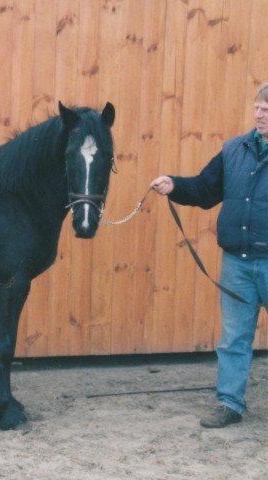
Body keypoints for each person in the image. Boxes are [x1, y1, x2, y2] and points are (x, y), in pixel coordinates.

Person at [151, 82, 268, 428]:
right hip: (237, 263)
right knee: (233, 338)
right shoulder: (234, 150)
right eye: (258, 107)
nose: (260, 113)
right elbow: (205, 189)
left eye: (267, 109)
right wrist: (175, 185)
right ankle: (229, 403)